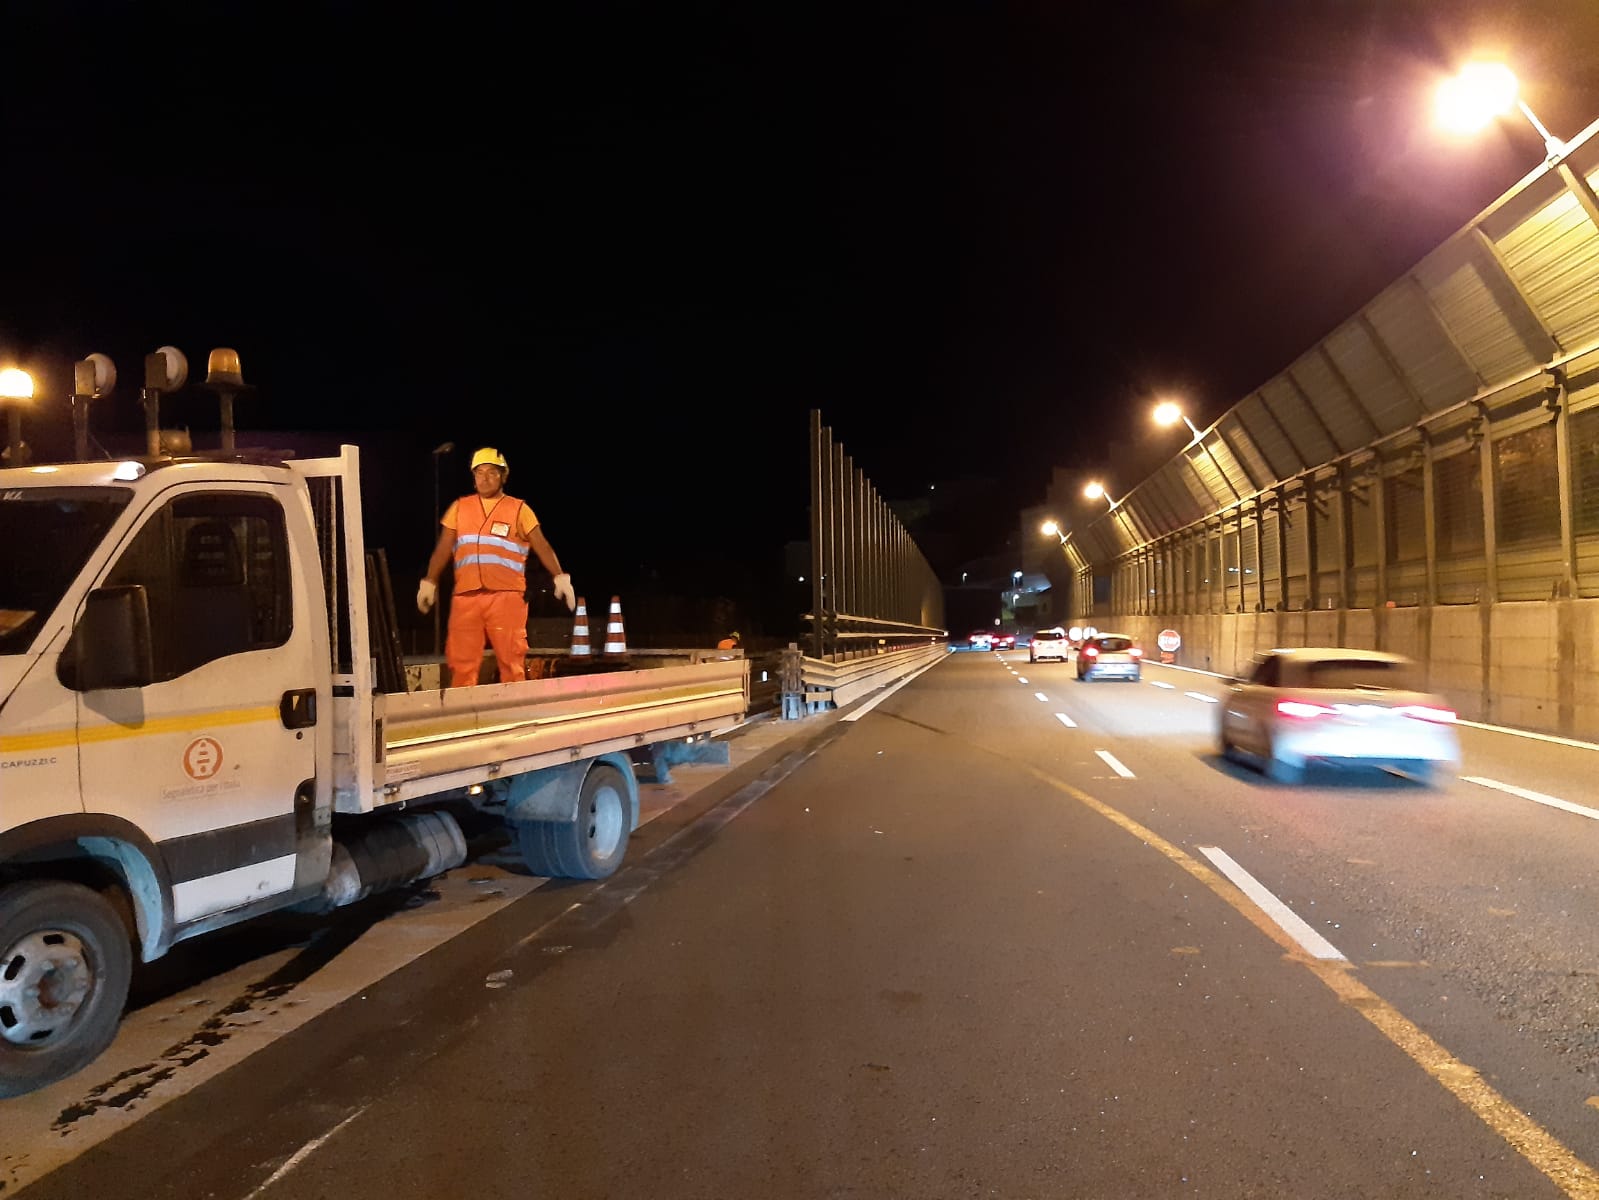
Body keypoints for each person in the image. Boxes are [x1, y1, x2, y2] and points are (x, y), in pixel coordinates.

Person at [417, 447, 576, 687]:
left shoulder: (519, 509)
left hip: (507, 598)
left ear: (503, 476)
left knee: (511, 663)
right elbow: (443, 548)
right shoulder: (459, 508)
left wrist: (560, 577)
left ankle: (514, 716)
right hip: (466, 598)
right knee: (461, 665)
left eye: (492, 472)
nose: (485, 478)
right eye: (479, 472)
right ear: (473, 477)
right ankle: (464, 717)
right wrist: (429, 582)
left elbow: (541, 545)